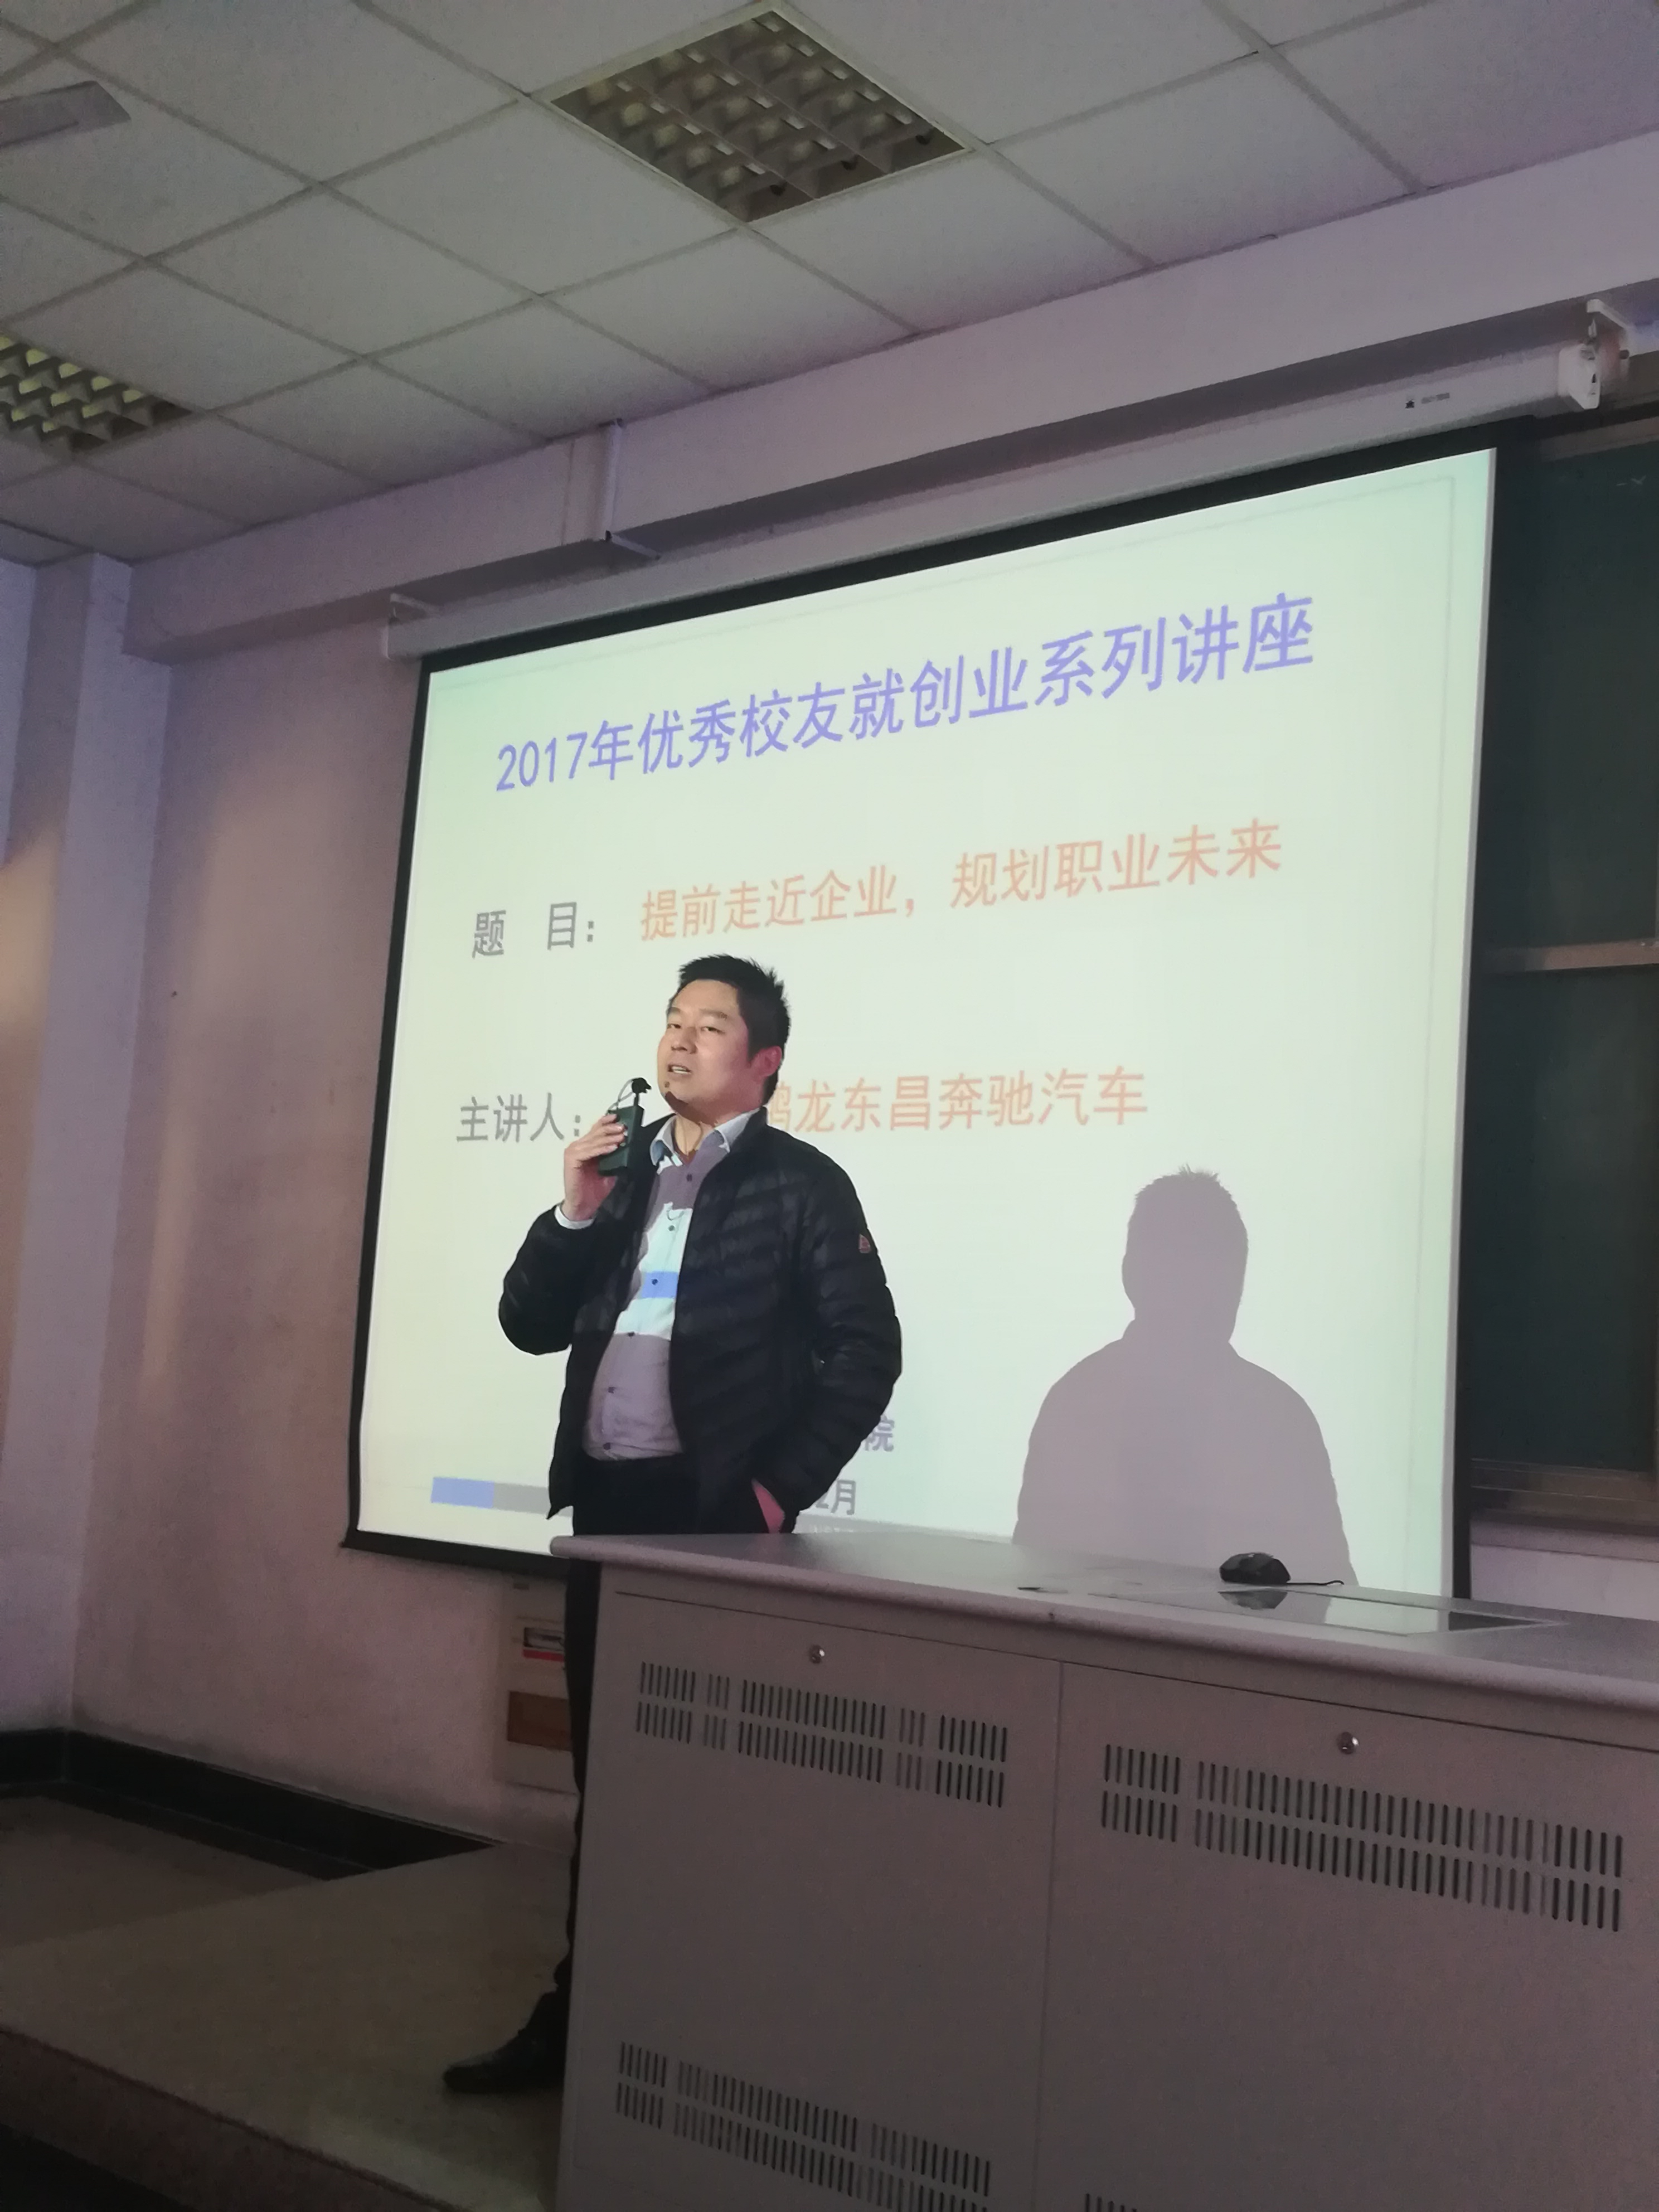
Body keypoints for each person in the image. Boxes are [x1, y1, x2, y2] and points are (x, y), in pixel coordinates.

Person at [444, 954, 901, 2094]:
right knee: (611, 1779)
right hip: (612, 1513)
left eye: (711, 1025)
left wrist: (769, 1495)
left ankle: (707, 2021)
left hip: (715, 1526)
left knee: (708, 1792)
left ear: (765, 1060)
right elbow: (527, 1323)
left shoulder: (802, 1185)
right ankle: (584, 2013)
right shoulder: (622, 1173)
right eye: (673, 1019)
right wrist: (572, 1210)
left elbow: (866, 1350)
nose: (681, 1040)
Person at [1014, 1170, 1352, 1581]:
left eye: (1218, 1278)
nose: (1199, 1299)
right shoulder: (1075, 1408)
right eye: (1180, 1276)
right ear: (1132, 1277)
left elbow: (1332, 1588)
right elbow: (1033, 1581)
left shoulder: (1282, 1422)